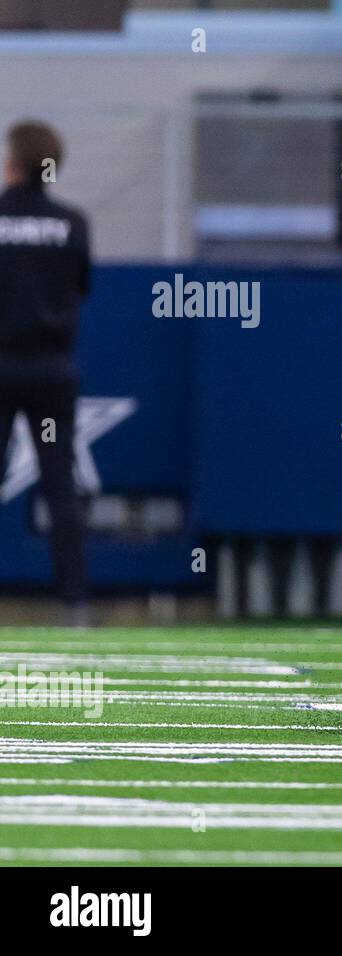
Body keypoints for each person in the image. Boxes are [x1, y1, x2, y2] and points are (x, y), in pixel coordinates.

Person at [0, 120, 92, 626]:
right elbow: (80, 287)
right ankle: (75, 604)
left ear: (13, 162)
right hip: (53, 371)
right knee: (60, 486)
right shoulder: (72, 223)